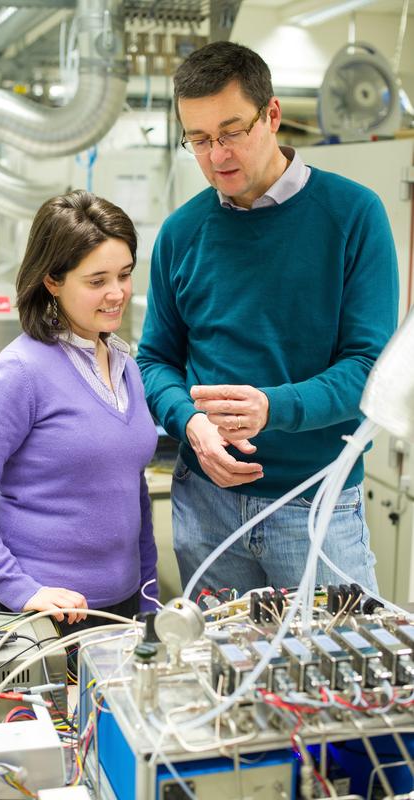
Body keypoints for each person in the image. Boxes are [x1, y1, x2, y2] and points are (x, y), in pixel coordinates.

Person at [137, 41, 399, 599]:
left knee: (337, 675)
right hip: (204, 506)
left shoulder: (353, 216)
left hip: (314, 505)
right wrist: (189, 423)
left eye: (231, 132)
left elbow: (370, 368)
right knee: (224, 679)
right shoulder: (181, 233)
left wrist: (272, 408)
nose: (216, 155)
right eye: (199, 140)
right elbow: (155, 359)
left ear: (272, 115)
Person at [0, 190, 159, 638]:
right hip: (40, 616)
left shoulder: (124, 364)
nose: (117, 294)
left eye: (125, 275)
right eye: (97, 281)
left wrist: (148, 592)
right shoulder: (20, 373)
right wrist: (19, 589)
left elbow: (132, 488)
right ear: (52, 280)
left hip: (123, 607)